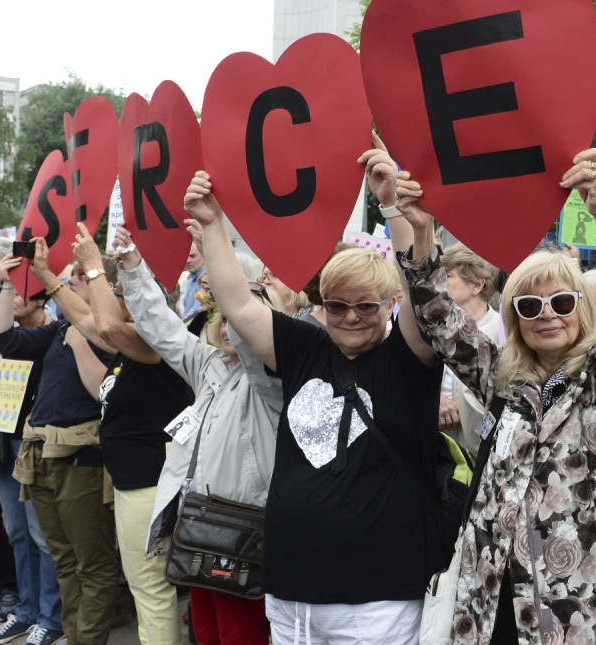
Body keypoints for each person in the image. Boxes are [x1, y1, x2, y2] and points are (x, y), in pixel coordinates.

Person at [183, 131, 442, 644]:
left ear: (389, 305)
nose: (349, 317)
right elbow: (237, 304)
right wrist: (214, 227)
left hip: (379, 599)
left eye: (366, 306)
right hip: (291, 591)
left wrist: (393, 207)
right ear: (320, 305)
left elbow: (423, 294)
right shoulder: (305, 346)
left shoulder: (408, 356)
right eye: (336, 305)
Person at [395, 149, 596, 643]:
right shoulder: (499, 376)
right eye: (530, 304)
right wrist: (421, 228)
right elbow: (436, 313)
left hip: (582, 605)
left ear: (580, 311)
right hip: (493, 595)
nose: (548, 314)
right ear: (514, 316)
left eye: (562, 302)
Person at [113, 223, 284, 645]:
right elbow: (163, 330)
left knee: (239, 637)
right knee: (206, 635)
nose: (228, 327)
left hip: (246, 534)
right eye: (220, 317)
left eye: (238, 317)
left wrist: (214, 248)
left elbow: (250, 340)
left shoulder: (273, 379)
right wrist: (134, 269)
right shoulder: (211, 366)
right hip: (200, 530)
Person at [29, 223, 195, 645]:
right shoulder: (132, 343)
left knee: (152, 592)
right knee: (145, 589)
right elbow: (87, 317)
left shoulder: (156, 341)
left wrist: (94, 268)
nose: (114, 305)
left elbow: (103, 325)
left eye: (122, 296)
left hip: (149, 482)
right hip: (132, 482)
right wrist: (46, 274)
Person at [0, 252, 119, 645]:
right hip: (42, 454)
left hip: (81, 458)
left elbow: (102, 392)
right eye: (74, 275)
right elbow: (3, 338)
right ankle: (68, 628)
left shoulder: (114, 329)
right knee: (65, 562)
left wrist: (80, 335)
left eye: (83, 275)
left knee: (93, 565)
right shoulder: (60, 328)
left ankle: (83, 636)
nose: (74, 280)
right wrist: (8, 283)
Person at [0, 243, 63, 645]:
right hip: (5, 441)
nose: (12, 297)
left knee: (42, 535)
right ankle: (25, 609)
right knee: (17, 532)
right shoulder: (13, 337)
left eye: (20, 292)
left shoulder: (52, 335)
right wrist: (3, 280)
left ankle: (49, 617)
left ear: (40, 298)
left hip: (36, 443)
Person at [438, 243, 501, 460]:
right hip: (438, 449)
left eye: (447, 276)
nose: (438, 284)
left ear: (477, 284)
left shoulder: (503, 333)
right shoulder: (436, 328)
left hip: (481, 456)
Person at [180, 243, 206, 322]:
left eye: (192, 256)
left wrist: (180, 325)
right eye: (185, 256)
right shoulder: (190, 279)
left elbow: (197, 309)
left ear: (204, 256)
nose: (188, 260)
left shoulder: (207, 280)